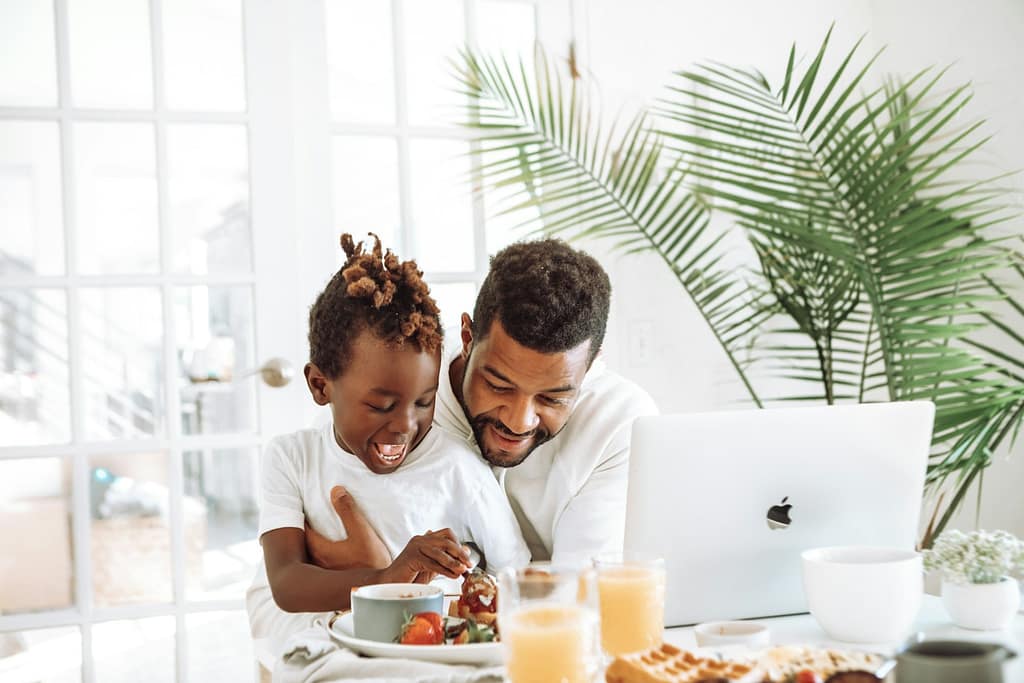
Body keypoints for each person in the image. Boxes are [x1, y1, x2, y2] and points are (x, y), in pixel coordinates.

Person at [307, 238, 658, 566]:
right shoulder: (395, 404)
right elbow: (275, 599)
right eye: (498, 385)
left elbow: (582, 599)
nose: (519, 421)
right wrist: (372, 582)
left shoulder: (621, 423)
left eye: (552, 398)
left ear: (591, 366)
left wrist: (386, 579)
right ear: (466, 337)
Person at [246, 234, 529, 641]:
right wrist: (388, 577)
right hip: (336, 643)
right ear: (320, 386)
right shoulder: (292, 459)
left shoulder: (457, 466)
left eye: (424, 402)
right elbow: (287, 584)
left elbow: (517, 574)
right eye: (381, 406)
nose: (404, 426)